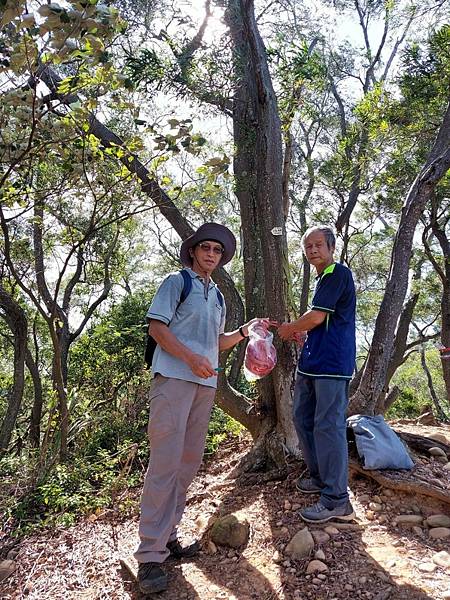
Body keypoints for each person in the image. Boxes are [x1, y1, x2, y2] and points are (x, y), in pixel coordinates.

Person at [135, 223, 264, 595]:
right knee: (164, 465)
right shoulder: (177, 283)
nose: (211, 254)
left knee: (187, 464)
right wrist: (191, 358)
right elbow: (157, 328)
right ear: (193, 250)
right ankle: (149, 556)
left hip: (204, 386)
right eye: (205, 247)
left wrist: (244, 332)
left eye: (217, 251)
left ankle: (168, 537)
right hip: (173, 380)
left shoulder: (219, 296)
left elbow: (216, 343)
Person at [278, 226, 356, 524]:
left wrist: (291, 328)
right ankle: (320, 477)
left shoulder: (337, 272)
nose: (312, 250)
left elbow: (316, 317)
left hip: (332, 365)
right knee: (302, 418)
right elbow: (318, 322)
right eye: (308, 246)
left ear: (331, 247)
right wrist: (304, 334)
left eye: (318, 244)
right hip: (311, 362)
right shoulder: (322, 279)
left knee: (328, 425)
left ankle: (337, 499)